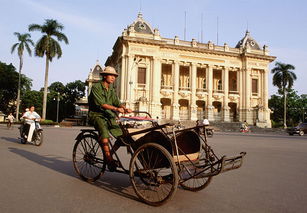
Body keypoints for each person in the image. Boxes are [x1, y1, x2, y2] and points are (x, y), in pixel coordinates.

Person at [88, 66, 132, 172]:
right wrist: (116, 109)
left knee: (122, 136)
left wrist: (124, 108)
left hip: (108, 115)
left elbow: (116, 102)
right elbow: (101, 104)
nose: (113, 78)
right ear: (104, 76)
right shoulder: (96, 87)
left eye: (114, 76)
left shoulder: (111, 89)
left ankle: (109, 155)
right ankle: (108, 158)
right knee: (104, 132)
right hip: (96, 115)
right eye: (111, 75)